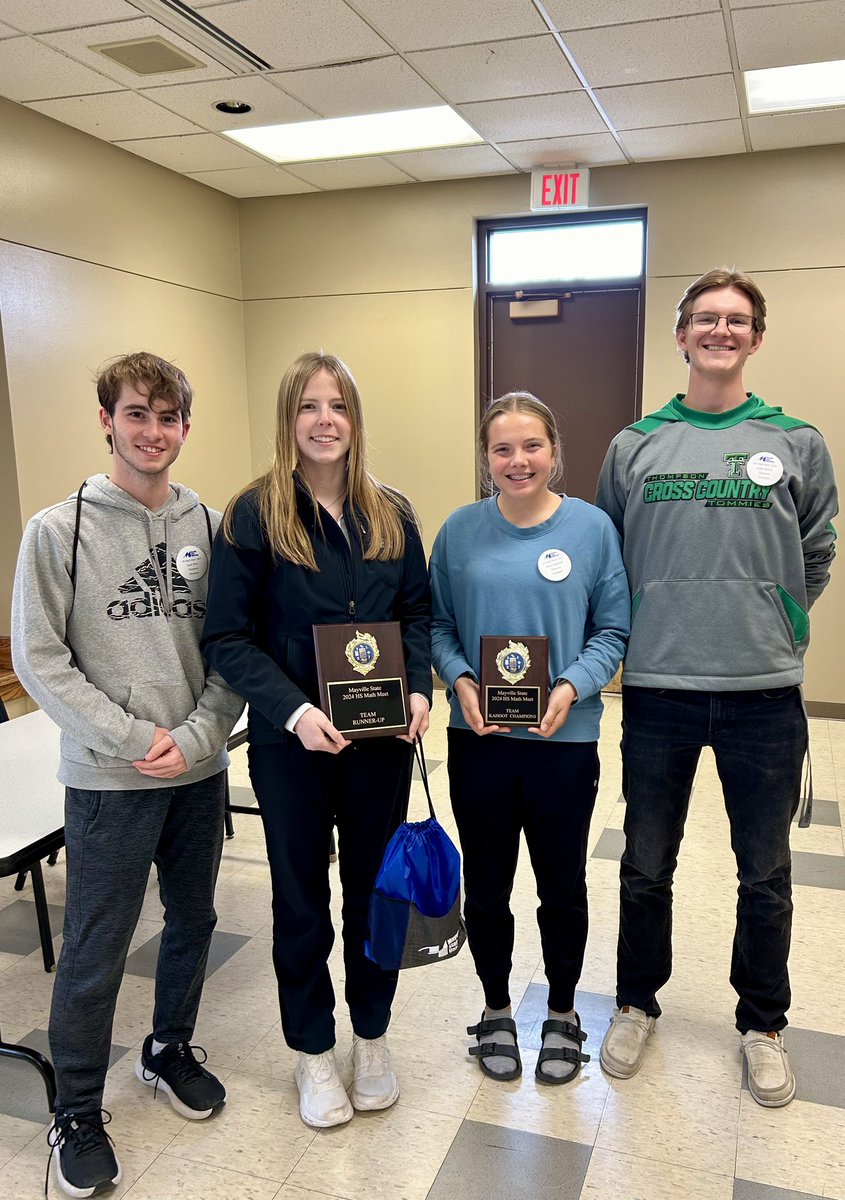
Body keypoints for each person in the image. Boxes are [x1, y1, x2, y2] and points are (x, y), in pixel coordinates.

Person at [595, 268, 838, 1106]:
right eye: (705, 319)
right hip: (658, 689)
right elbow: (609, 558)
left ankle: (762, 1022)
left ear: (755, 337)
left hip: (761, 694)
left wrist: (774, 615)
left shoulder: (796, 440)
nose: (720, 331)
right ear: (680, 335)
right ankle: (634, 1002)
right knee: (644, 866)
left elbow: (815, 553)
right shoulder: (635, 444)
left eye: (736, 321)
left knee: (764, 872)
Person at [12, 352, 243, 1197]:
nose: (154, 432)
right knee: (96, 945)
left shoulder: (209, 526)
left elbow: (230, 647)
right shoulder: (57, 529)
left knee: (193, 920)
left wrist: (199, 733)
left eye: (169, 416)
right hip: (110, 781)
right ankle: (75, 1106)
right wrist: (131, 735)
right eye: (137, 414)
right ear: (106, 420)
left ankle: (168, 1047)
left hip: (197, 769)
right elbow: (40, 660)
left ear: (187, 424)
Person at [200, 351, 432, 1128]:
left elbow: (418, 616)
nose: (324, 420)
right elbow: (227, 638)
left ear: (355, 420)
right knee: (301, 900)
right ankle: (310, 1052)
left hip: (379, 744)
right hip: (289, 743)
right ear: (287, 421)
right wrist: (295, 711)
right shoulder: (251, 515)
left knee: (375, 893)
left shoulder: (392, 513)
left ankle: (370, 1038)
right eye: (308, 406)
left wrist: (422, 687)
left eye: (337, 405)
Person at [430, 392, 629, 1084]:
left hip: (563, 744)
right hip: (479, 739)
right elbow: (437, 625)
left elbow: (612, 630)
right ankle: (493, 1009)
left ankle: (565, 1013)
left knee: (561, 886)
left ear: (554, 452)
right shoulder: (458, 531)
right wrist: (458, 680)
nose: (517, 461)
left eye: (531, 447)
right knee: (486, 888)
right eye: (501, 449)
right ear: (485, 459)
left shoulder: (592, 529)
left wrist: (571, 685)